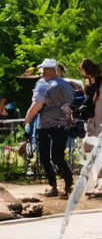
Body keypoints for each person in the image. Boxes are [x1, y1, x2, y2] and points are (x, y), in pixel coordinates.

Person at [24, 58, 76, 198]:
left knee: (45, 158)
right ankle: (68, 182)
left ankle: (54, 187)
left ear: (47, 70)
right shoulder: (66, 85)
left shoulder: (42, 84)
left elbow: (36, 105)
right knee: (58, 157)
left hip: (45, 126)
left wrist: (27, 119)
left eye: (44, 69)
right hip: (63, 125)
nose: (42, 72)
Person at [79, 59, 102, 196]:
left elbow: (100, 106)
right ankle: (100, 184)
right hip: (98, 122)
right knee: (95, 152)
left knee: (100, 154)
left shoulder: (98, 86)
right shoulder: (99, 84)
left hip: (98, 123)